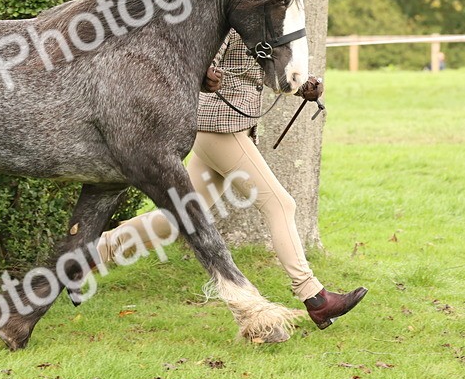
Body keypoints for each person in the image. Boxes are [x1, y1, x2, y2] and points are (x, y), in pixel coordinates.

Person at [96, 30, 367, 330]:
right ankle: (315, 298)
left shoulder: (259, 13)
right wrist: (207, 73)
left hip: (219, 127)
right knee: (279, 204)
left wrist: (303, 85)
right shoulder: (236, 9)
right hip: (220, 129)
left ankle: (99, 249)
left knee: (180, 218)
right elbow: (203, 55)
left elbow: (269, 66)